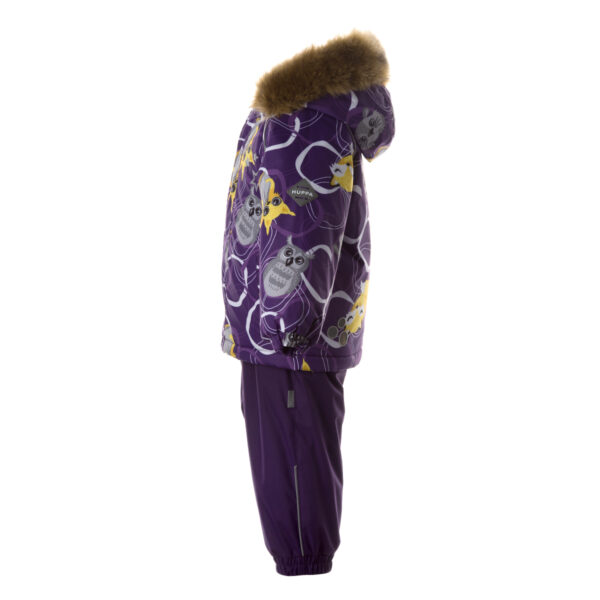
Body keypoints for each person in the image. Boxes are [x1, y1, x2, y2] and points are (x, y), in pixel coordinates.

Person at [220, 29, 396, 576]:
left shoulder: (304, 118)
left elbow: (305, 224)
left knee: (293, 469)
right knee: (289, 460)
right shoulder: (284, 115)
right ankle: (302, 561)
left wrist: (288, 323)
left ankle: (306, 570)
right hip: (270, 329)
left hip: (286, 336)